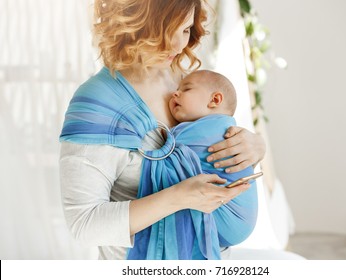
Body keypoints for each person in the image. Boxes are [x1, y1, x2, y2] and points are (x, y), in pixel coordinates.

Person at [59, 0, 266, 260]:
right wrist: (179, 197)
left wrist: (254, 147)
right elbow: (84, 224)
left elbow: (213, 150)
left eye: (186, 29)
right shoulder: (98, 102)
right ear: (132, 21)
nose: (179, 46)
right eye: (168, 30)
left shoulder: (185, 81)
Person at [168, 69, 259, 247]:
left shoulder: (212, 131)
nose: (175, 93)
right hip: (241, 223)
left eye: (186, 89)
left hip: (229, 218)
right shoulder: (223, 128)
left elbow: (163, 148)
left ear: (214, 100)